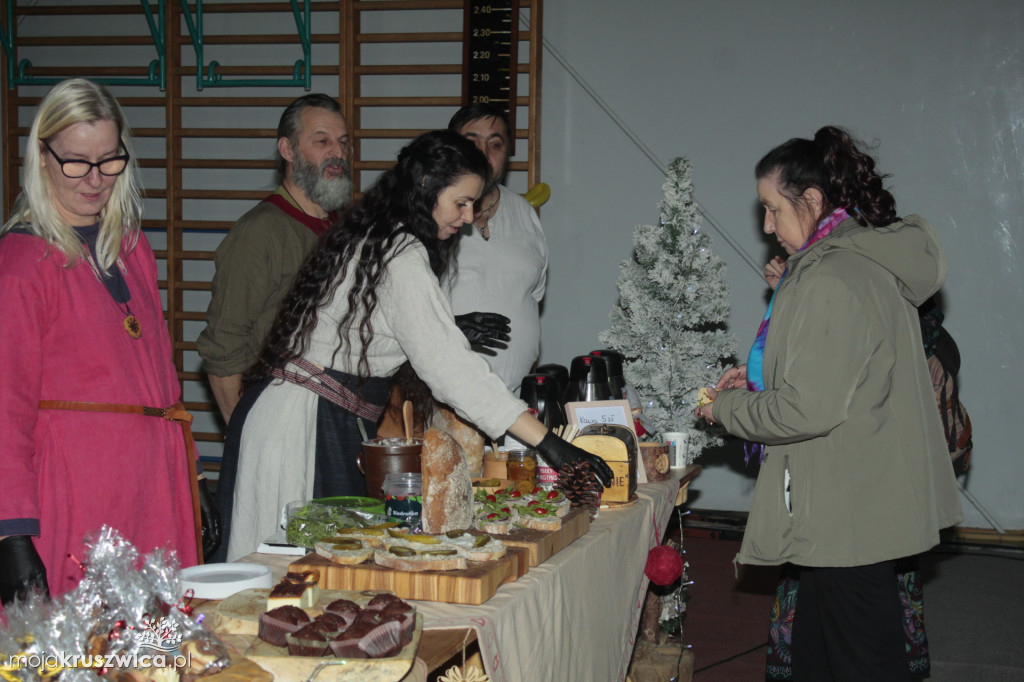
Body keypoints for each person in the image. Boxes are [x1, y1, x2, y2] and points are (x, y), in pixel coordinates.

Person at [223, 130, 612, 560]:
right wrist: (548, 443)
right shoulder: (400, 254)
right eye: (461, 203)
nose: (467, 217)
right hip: (301, 425)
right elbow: (453, 373)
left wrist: (449, 329)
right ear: (426, 186)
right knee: (295, 575)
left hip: (316, 417)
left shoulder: (383, 236)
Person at [695, 126, 962, 680]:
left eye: (772, 209)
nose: (766, 226)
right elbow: (833, 381)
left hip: (851, 511)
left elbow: (805, 410)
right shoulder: (843, 263)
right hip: (841, 505)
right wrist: (755, 389)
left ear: (812, 200)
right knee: (816, 657)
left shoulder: (834, 275)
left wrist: (722, 411)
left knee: (866, 661)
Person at [0, 79, 217, 602]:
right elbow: (4, 409)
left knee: (156, 650)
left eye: (110, 160)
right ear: (43, 156)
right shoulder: (22, 264)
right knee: (76, 659)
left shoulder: (132, 246)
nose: (95, 180)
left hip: (152, 491)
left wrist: (193, 476)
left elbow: (160, 374)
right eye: (76, 161)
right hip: (75, 496)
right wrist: (10, 532)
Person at [197, 93, 353, 426]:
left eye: (342, 142)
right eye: (322, 141)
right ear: (287, 150)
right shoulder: (260, 232)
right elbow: (223, 349)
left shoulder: (343, 227)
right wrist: (244, 433)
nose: (337, 154)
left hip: (331, 420)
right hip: (277, 420)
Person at [447, 103, 548, 391]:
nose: (483, 152)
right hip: (441, 404)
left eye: (495, 143)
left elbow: (532, 296)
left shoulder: (524, 212)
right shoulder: (427, 215)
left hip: (515, 402)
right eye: (471, 142)